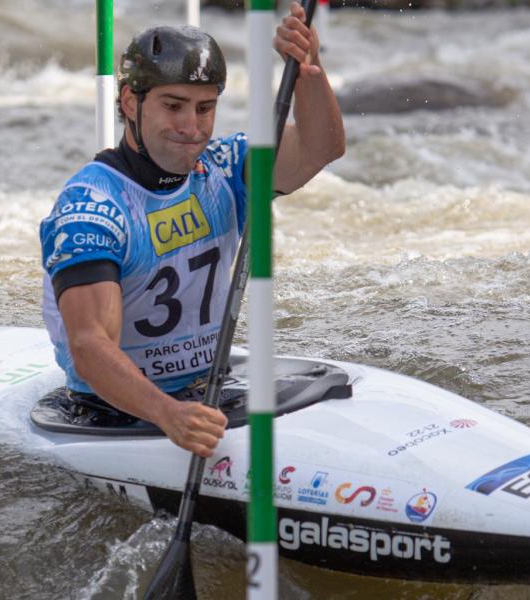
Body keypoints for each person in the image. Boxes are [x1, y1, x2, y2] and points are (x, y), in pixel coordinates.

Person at [39, 3, 344, 459]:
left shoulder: (223, 168)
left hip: (205, 387)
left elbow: (321, 148)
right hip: (114, 407)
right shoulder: (93, 207)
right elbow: (89, 345)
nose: (191, 126)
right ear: (129, 103)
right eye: (173, 106)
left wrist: (308, 73)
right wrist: (168, 414)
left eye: (205, 108)